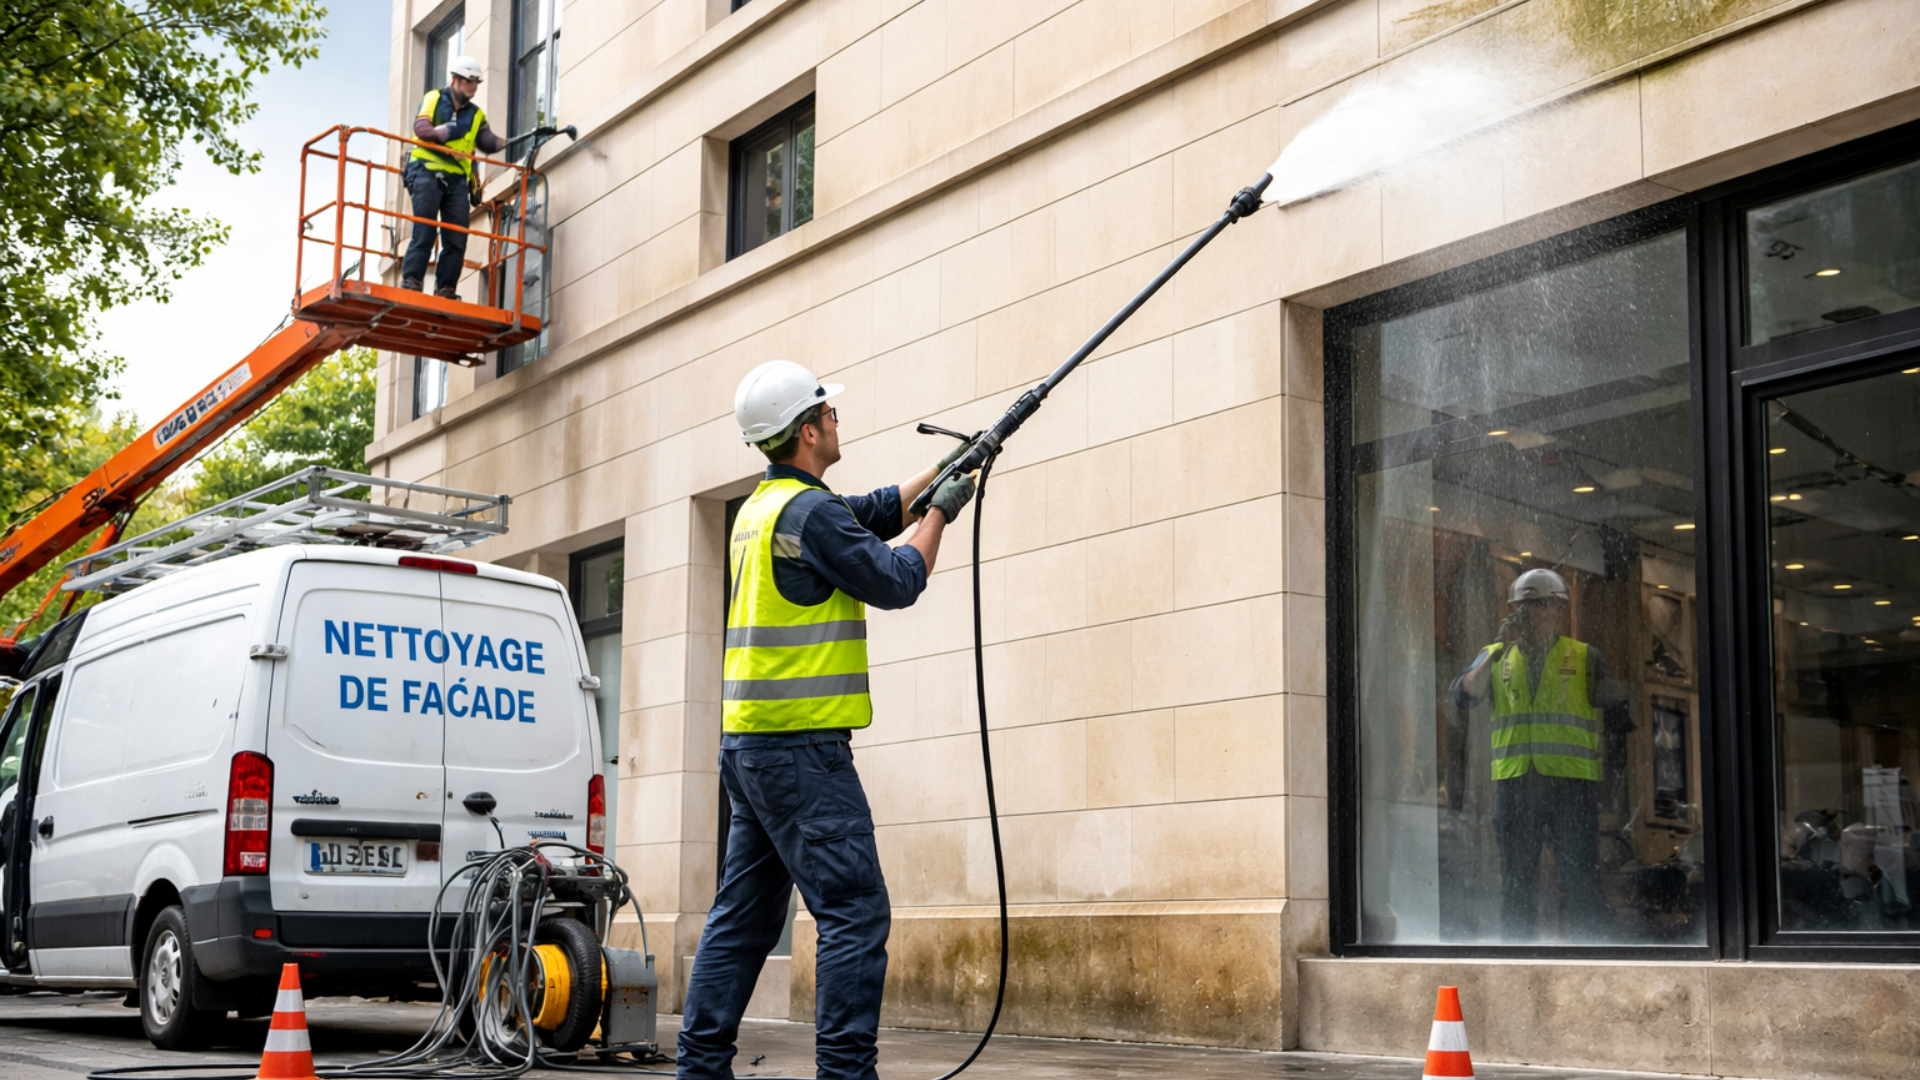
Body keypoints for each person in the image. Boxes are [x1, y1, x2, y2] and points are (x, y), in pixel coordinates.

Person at [677, 360, 976, 1080]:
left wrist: (939, 472)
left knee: (743, 918)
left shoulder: (765, 509)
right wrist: (942, 511)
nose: (839, 420)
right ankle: (846, 1076)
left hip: (751, 752)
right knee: (853, 912)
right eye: (830, 414)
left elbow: (867, 512)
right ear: (808, 431)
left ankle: (700, 1068)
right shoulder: (809, 516)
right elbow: (898, 579)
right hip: (804, 754)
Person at [1450, 568, 1628, 941]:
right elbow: (1464, 696)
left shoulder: (1584, 657)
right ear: (1514, 611)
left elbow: (1620, 719)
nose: (1535, 614)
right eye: (1526, 607)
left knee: (1581, 882)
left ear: (1558, 610)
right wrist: (1496, 647)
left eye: (1544, 606)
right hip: (1516, 789)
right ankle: (1519, 957)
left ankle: (1590, 954)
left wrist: (1613, 786)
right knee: (1516, 886)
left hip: (1571, 789)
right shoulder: (1495, 658)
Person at [402, 55, 504, 298]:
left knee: (456, 236)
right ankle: (412, 282)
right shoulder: (434, 98)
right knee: (425, 230)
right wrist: (444, 131)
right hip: (427, 168)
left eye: (476, 82)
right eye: (470, 81)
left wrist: (506, 142)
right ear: (455, 80)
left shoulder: (475, 114)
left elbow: (486, 141)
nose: (474, 87)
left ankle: (446, 288)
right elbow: (421, 128)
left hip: (458, 178)